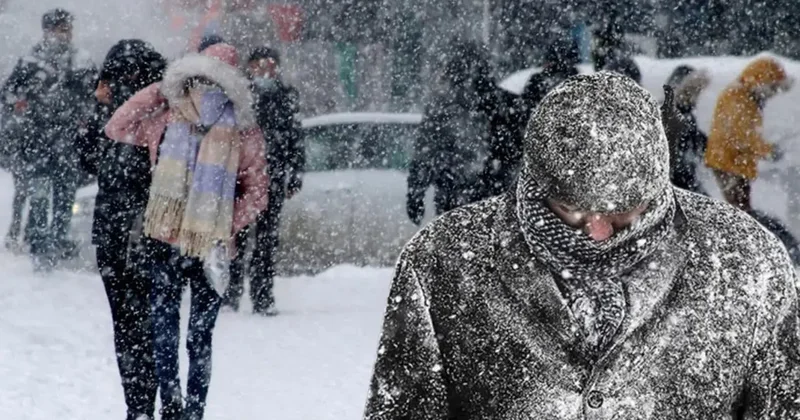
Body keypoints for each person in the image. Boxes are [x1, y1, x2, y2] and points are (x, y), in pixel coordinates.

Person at [364, 73, 800, 419]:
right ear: (535, 185)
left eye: (622, 212)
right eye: (571, 208)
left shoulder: (746, 262)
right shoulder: (444, 262)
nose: (598, 232)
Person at [104, 43, 268, 420]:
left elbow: (117, 125)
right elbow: (258, 194)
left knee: (165, 331)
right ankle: (192, 411)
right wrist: (222, 222)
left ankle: (173, 407)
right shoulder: (244, 130)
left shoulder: (165, 116)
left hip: (164, 239)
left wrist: (162, 88)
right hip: (211, 247)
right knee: (199, 337)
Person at [74, 39, 167, 420]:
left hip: (145, 233)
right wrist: (96, 107)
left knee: (141, 327)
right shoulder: (115, 117)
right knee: (133, 327)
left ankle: (147, 404)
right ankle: (140, 405)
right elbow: (86, 159)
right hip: (120, 235)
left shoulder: (157, 115)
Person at [0, 8, 95, 268]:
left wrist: (83, 115)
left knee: (65, 195)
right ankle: (40, 241)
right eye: (61, 29)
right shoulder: (31, 62)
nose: (65, 34)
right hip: (37, 140)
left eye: (67, 29)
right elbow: (8, 95)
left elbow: (92, 97)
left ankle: (57, 239)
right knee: (40, 193)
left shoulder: (81, 60)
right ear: (48, 31)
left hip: (67, 141)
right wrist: (22, 105)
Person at [223, 46, 304, 314]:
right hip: (243, 178)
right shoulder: (240, 96)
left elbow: (295, 137)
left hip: (273, 176)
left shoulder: (286, 97)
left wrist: (294, 174)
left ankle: (262, 296)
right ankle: (231, 292)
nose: (265, 71)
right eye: (259, 65)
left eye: (270, 65)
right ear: (250, 67)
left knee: (267, 241)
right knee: (237, 236)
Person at [406, 40, 501, 223]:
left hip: (453, 197)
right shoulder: (498, 105)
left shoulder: (442, 106)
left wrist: (416, 194)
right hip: (489, 199)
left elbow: (425, 154)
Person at [705, 57, 793, 212]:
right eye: (772, 88)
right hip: (729, 162)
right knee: (739, 212)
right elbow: (742, 135)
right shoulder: (738, 98)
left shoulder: (747, 96)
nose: (773, 94)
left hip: (734, 161)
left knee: (741, 209)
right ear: (761, 82)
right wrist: (768, 151)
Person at [661, 64, 711, 194]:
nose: (696, 97)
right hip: (674, 188)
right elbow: (675, 162)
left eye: (698, 91)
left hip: (684, 186)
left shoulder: (686, 113)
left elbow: (696, 141)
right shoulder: (671, 116)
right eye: (692, 91)